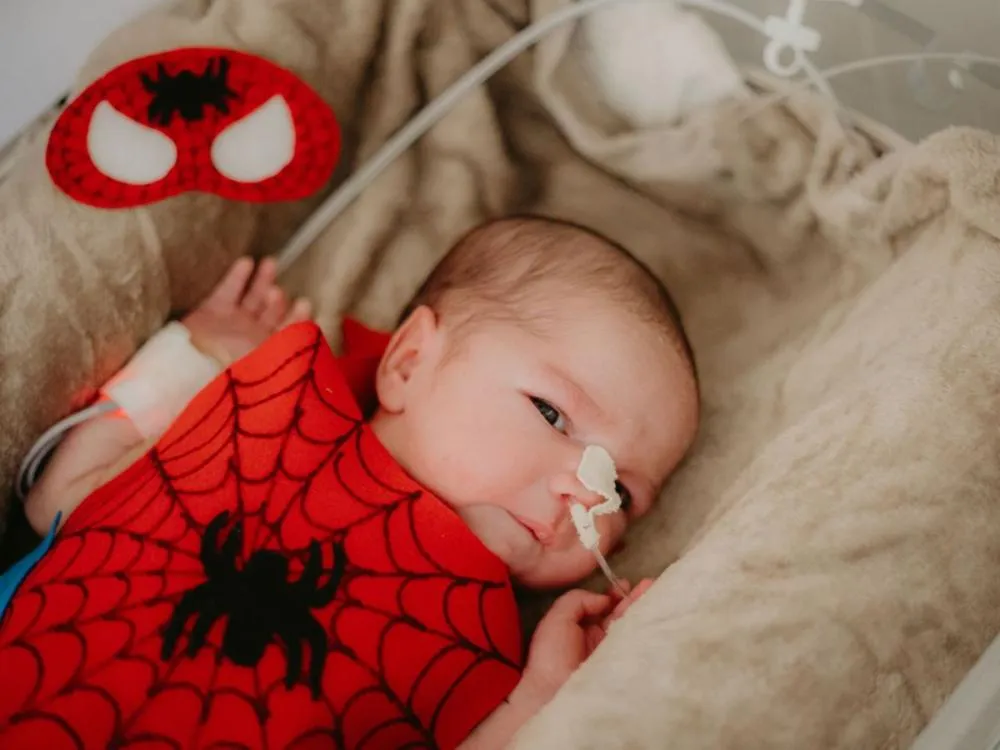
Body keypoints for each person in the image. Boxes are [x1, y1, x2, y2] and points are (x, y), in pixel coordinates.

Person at [7, 216, 700, 749]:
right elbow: (58, 500)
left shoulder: (490, 651)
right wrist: (195, 359)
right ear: (407, 363)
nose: (586, 494)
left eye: (624, 496)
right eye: (553, 413)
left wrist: (542, 694)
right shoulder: (272, 414)